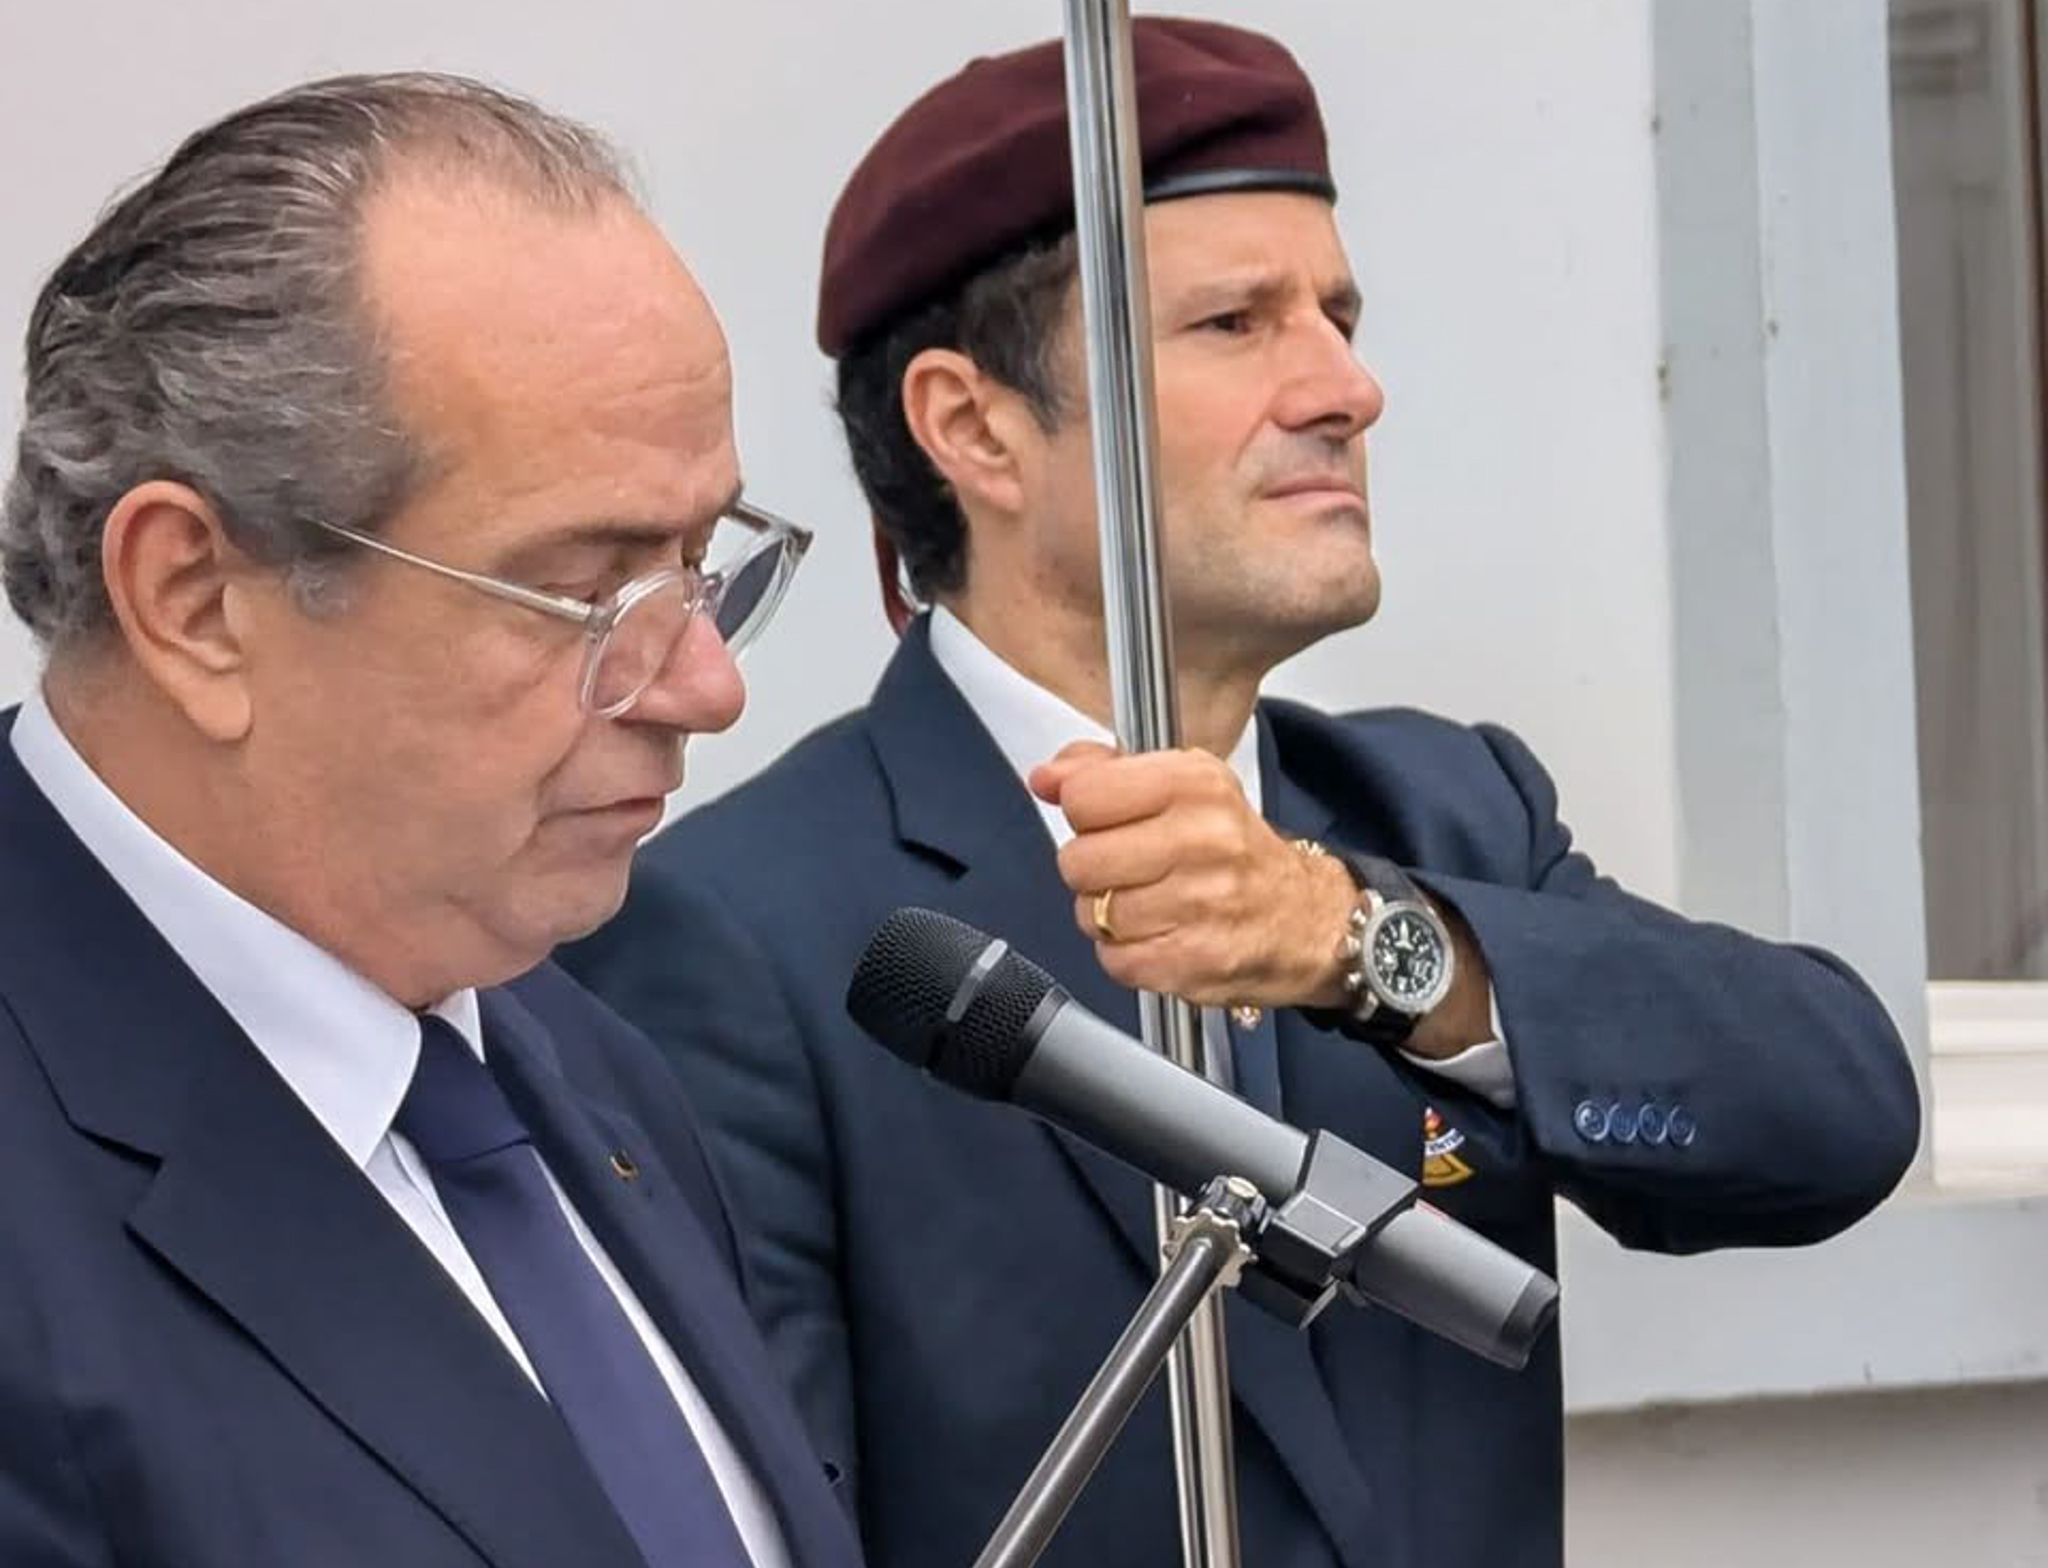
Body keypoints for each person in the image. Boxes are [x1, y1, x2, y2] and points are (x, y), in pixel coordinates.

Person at [561, 19, 1920, 1568]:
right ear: (972, 425)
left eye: (1338, 314)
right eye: (1235, 324)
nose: (1347, 385)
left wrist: (1363, 943)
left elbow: (1838, 1117)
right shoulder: (736, 931)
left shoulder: (1435, 820)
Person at [0, 73, 854, 1568]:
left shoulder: (585, 1063)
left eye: (703, 562)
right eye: (589, 590)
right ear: (195, 602)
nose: (707, 689)